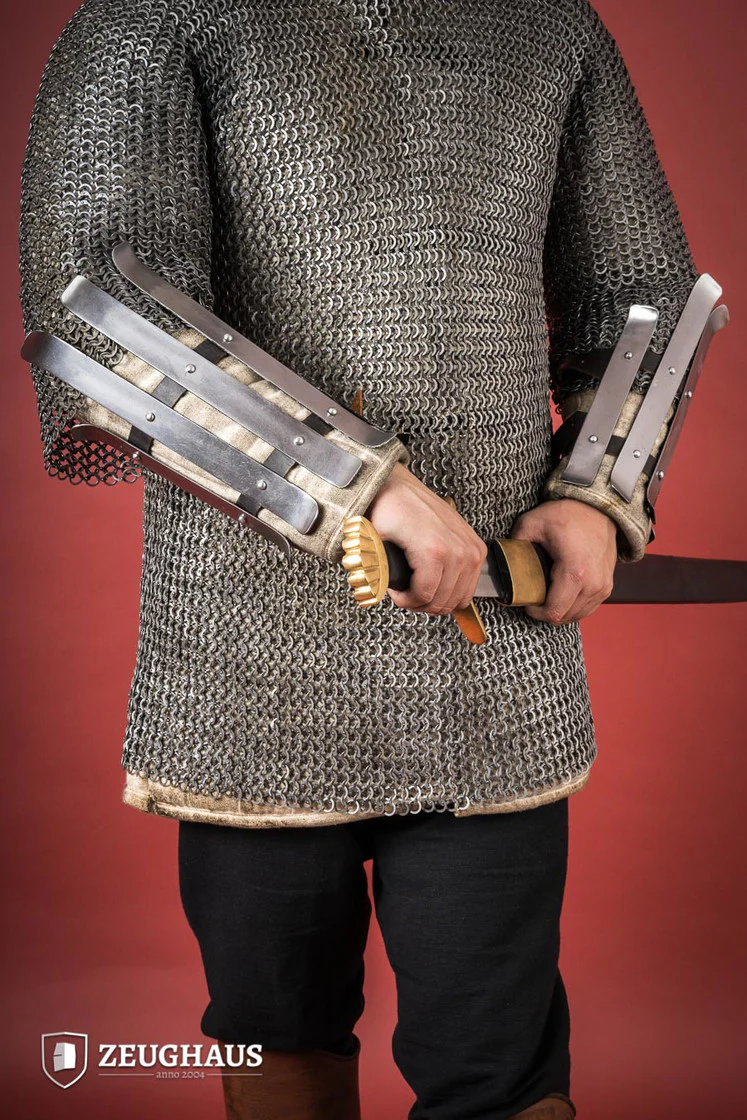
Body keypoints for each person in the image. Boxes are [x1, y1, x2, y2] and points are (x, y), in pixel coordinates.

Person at [19, 1, 707, 1116]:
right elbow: (100, 302)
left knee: (499, 1070)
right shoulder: (157, 17)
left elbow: (644, 291)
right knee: (275, 1042)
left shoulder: (544, 24)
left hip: (487, 660)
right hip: (252, 654)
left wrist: (599, 490)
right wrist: (361, 485)